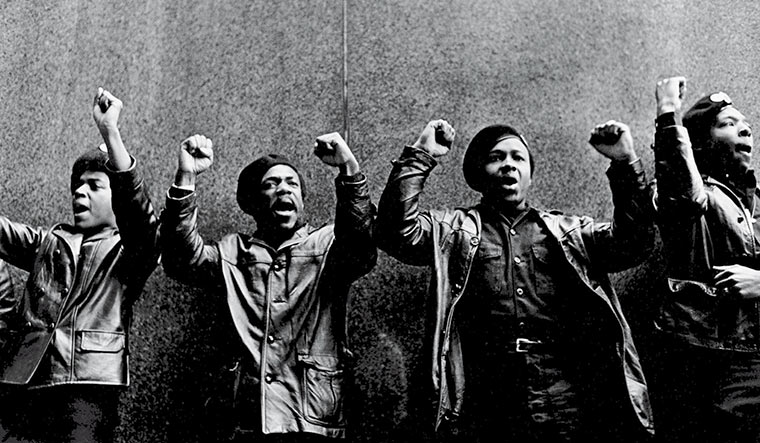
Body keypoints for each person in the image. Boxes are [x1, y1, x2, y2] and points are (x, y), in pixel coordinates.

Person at [375, 119, 655, 442]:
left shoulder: (569, 233)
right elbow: (394, 232)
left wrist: (624, 162)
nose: (508, 165)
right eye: (497, 158)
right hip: (485, 400)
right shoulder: (455, 230)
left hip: (566, 398)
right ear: (481, 175)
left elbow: (633, 243)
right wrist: (422, 154)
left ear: (530, 175)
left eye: (518, 158)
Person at [159, 131, 376, 442]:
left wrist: (349, 169)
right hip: (249, 417)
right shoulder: (234, 252)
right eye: (271, 184)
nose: (284, 189)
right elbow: (181, 259)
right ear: (253, 203)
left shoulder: (328, 245)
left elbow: (360, 243)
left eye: (292, 183)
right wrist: (186, 176)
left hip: (312, 419)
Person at [0, 88, 160, 443]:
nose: (79, 194)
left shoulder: (130, 249)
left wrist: (110, 133)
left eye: (92, 186)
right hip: (26, 381)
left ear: (115, 194)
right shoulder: (51, 240)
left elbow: (140, 217)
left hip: (88, 388)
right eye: (76, 187)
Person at [652, 76, 760, 442]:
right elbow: (681, 188)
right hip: (720, 359)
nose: (744, 128)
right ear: (701, 142)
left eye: (744, 122)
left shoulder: (758, 201)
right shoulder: (699, 198)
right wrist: (669, 114)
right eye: (728, 124)